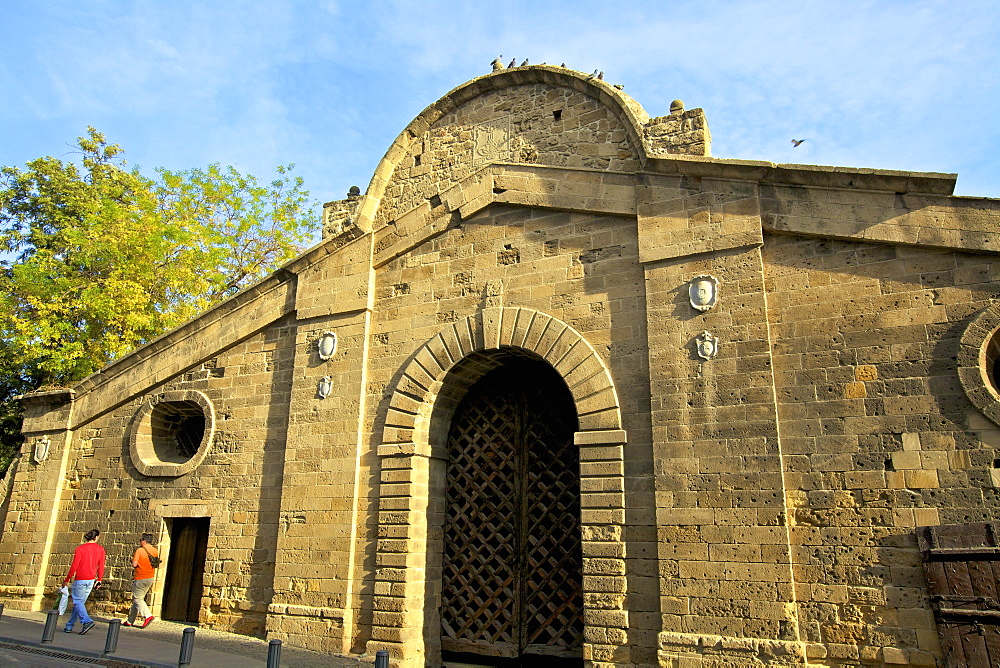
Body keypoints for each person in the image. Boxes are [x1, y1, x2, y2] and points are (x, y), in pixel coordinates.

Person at [62, 528, 105, 634]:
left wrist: (67, 579)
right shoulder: (100, 549)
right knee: (79, 603)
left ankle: (86, 621)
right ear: (96, 537)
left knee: (77, 602)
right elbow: (101, 566)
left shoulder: (80, 549)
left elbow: (74, 565)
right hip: (91, 580)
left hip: (81, 579)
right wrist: (99, 579)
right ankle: (69, 625)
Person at [124, 533, 158, 628]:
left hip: (140, 577)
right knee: (138, 599)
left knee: (137, 598)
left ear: (143, 541)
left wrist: (132, 560)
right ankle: (130, 621)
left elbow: (134, 564)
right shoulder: (155, 551)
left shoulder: (140, 550)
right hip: (150, 577)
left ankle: (148, 616)